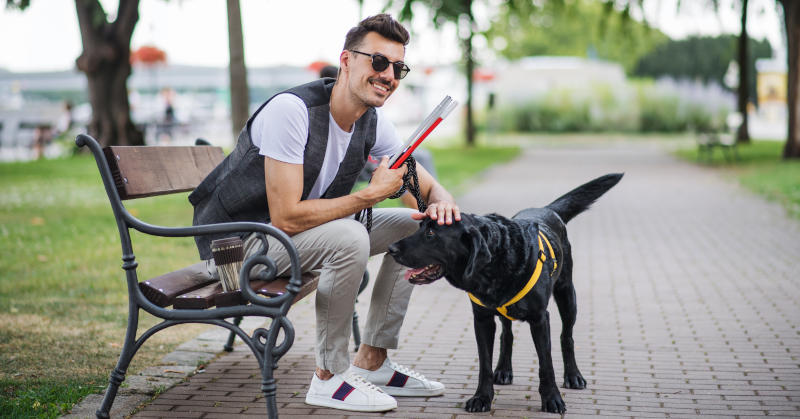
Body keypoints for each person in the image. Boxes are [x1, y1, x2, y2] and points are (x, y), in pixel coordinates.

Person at [189, 14, 460, 412]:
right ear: (347, 61)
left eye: (398, 68)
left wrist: (441, 207)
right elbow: (285, 217)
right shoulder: (292, 111)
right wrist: (368, 196)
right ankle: (329, 378)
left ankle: (373, 361)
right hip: (234, 248)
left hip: (286, 240)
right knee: (350, 237)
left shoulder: (372, 121)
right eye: (378, 62)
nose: (388, 75)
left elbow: (417, 181)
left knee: (416, 230)